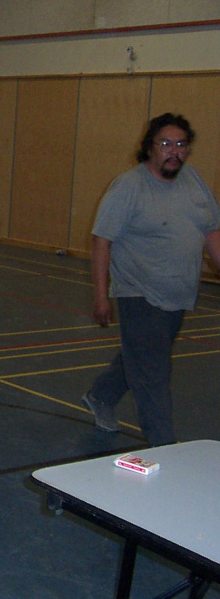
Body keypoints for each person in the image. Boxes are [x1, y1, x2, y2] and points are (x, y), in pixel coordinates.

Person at [82, 113, 220, 447]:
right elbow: (102, 241)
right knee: (154, 373)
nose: (174, 151)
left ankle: (101, 395)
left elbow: (212, 231)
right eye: (165, 144)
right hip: (139, 294)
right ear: (150, 147)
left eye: (181, 144)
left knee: (142, 357)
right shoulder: (129, 186)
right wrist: (101, 296)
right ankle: (164, 447)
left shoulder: (194, 181)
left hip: (179, 295)